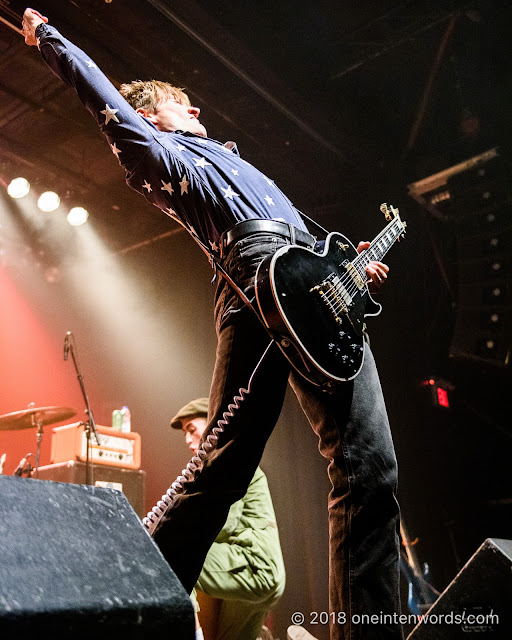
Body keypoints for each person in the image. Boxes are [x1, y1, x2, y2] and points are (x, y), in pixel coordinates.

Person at [22, 8, 402, 639]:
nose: (199, 113)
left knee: (370, 468)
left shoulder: (244, 166)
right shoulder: (165, 154)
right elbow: (107, 101)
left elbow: (311, 242)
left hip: (315, 286)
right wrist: (50, 40)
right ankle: (137, 611)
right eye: (185, 106)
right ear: (156, 114)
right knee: (224, 463)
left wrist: (353, 270)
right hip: (251, 277)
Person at [169, 397, 285, 640]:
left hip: (252, 566)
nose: (188, 440)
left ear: (213, 423)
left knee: (172, 560)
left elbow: (223, 524)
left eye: (192, 430)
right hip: (261, 575)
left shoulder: (229, 464)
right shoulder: (230, 462)